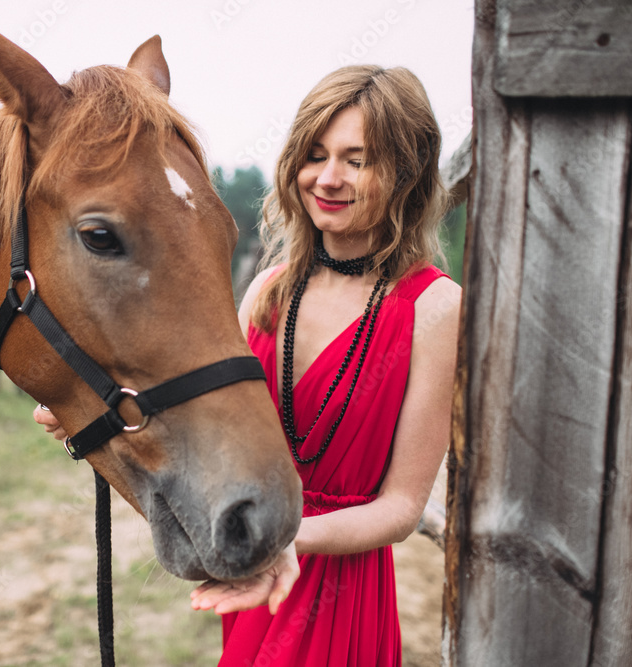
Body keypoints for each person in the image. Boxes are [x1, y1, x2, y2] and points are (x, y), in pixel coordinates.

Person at [35, 64, 460, 666]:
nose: (329, 178)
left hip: (340, 587)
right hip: (258, 569)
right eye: (315, 155)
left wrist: (292, 541)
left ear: (407, 174)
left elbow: (400, 509)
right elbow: (202, 428)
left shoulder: (434, 307)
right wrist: (87, 413)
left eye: (357, 160)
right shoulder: (268, 291)